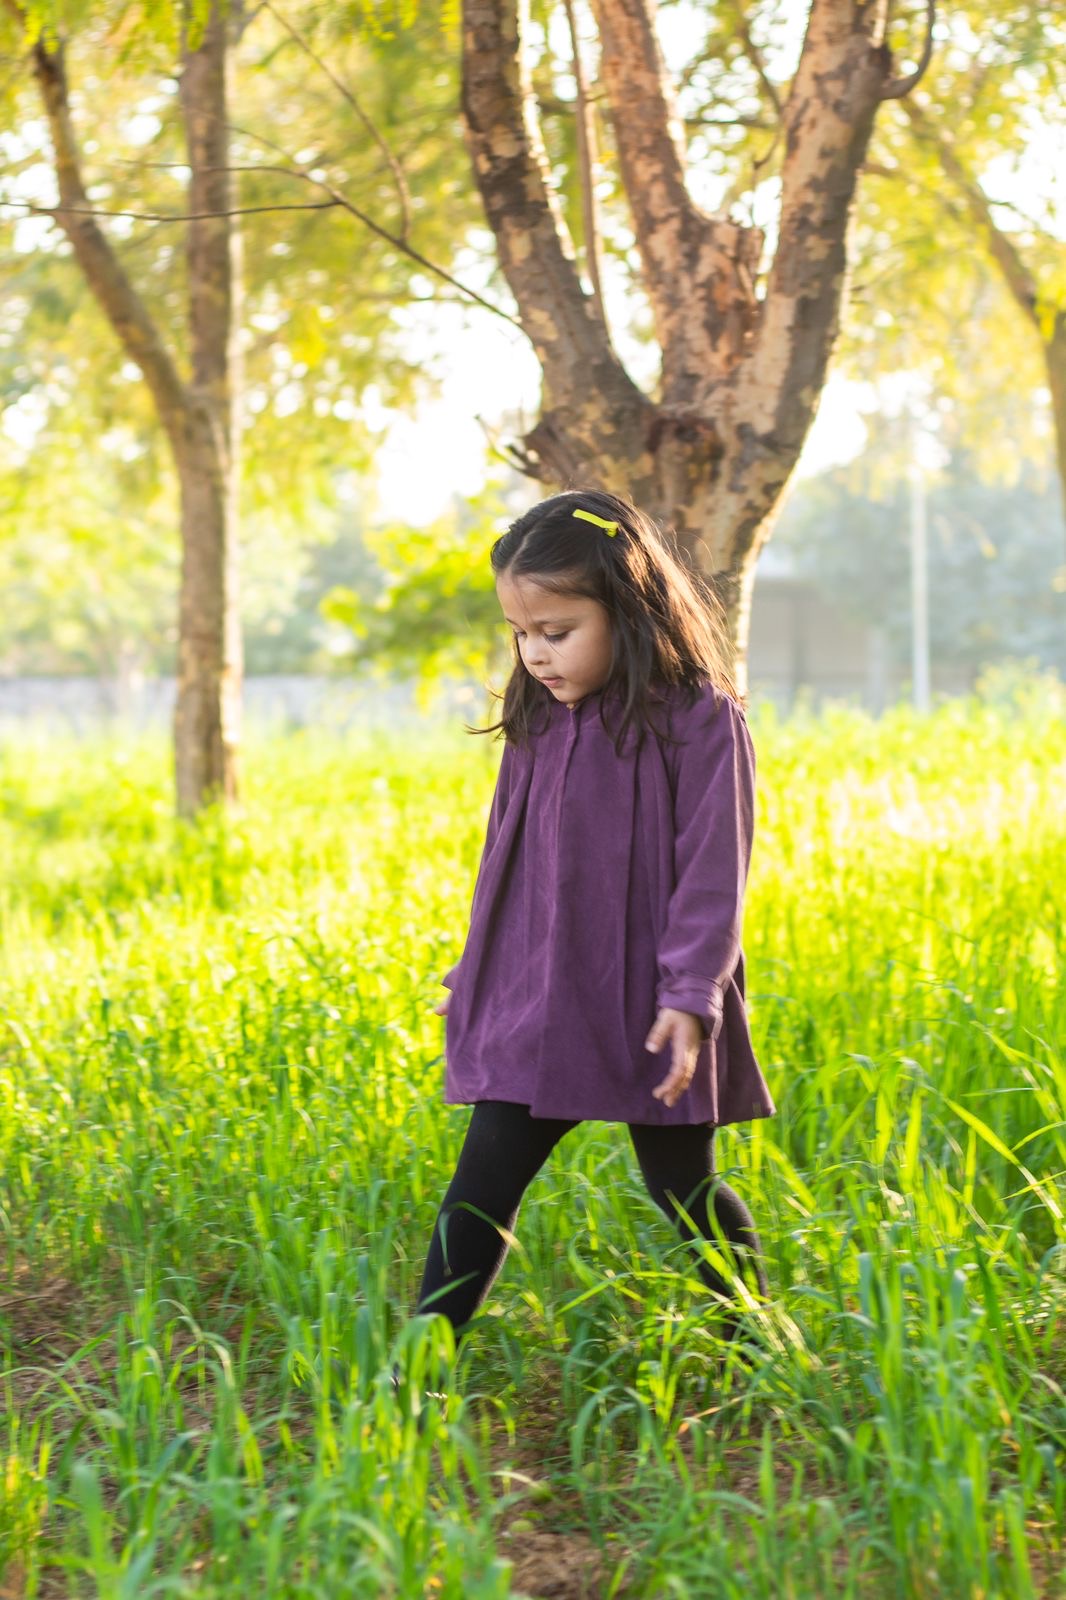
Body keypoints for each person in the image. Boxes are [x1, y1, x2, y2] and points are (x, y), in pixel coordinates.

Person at [415, 488, 777, 1366]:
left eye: (558, 630)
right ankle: (418, 1370)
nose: (535, 653)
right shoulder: (537, 717)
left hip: (655, 1005)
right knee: (481, 1183)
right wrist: (477, 974)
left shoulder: (699, 719)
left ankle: (762, 1344)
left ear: (629, 605)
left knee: (683, 1187)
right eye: (520, 632)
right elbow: (506, 851)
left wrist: (691, 996)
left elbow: (713, 875)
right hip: (541, 997)